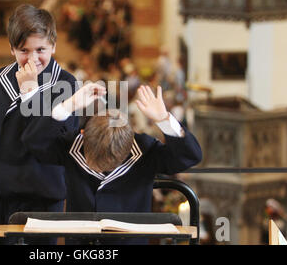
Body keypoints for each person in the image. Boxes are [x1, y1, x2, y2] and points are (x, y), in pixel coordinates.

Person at [22, 83, 202, 244]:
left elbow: (189, 156)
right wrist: (69, 106)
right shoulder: (72, 146)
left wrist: (164, 119)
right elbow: (34, 141)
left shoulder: (145, 151)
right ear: (83, 135)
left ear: (131, 143)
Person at [0, 4, 78, 245]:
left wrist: (30, 93)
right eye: (23, 50)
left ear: (54, 46)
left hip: (43, 192)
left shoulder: (67, 84)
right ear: (12, 49)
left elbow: (54, 142)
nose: (33, 59)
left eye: (41, 49)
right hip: (2, 193)